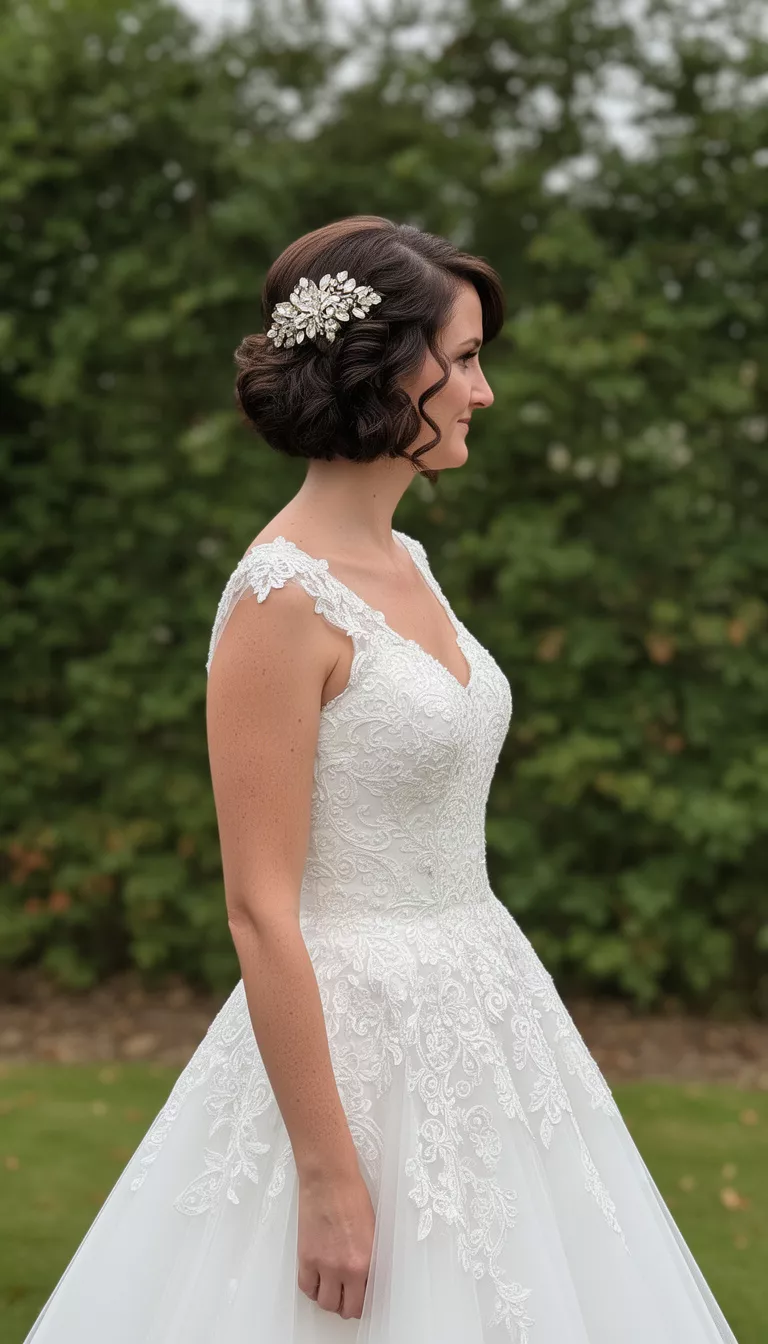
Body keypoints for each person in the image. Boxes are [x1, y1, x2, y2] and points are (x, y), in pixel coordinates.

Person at [23, 215, 739, 1343]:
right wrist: (326, 1174)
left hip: (487, 1008)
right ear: (384, 368)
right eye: (464, 359)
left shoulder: (409, 560)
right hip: (353, 1052)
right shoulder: (279, 599)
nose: (483, 392)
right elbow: (260, 910)